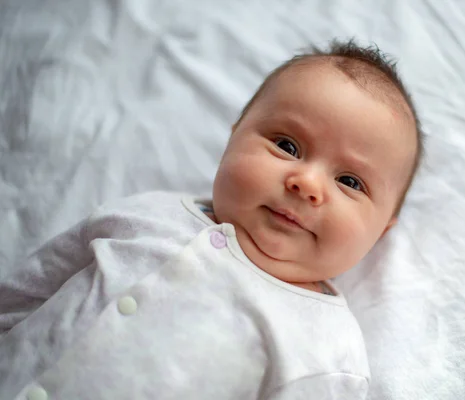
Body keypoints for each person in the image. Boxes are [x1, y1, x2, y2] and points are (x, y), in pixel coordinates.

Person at [0, 39, 423, 399]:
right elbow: (35, 284)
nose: (306, 182)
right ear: (235, 135)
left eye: (350, 181)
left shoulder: (327, 348)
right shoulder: (146, 213)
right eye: (287, 146)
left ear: (380, 231)